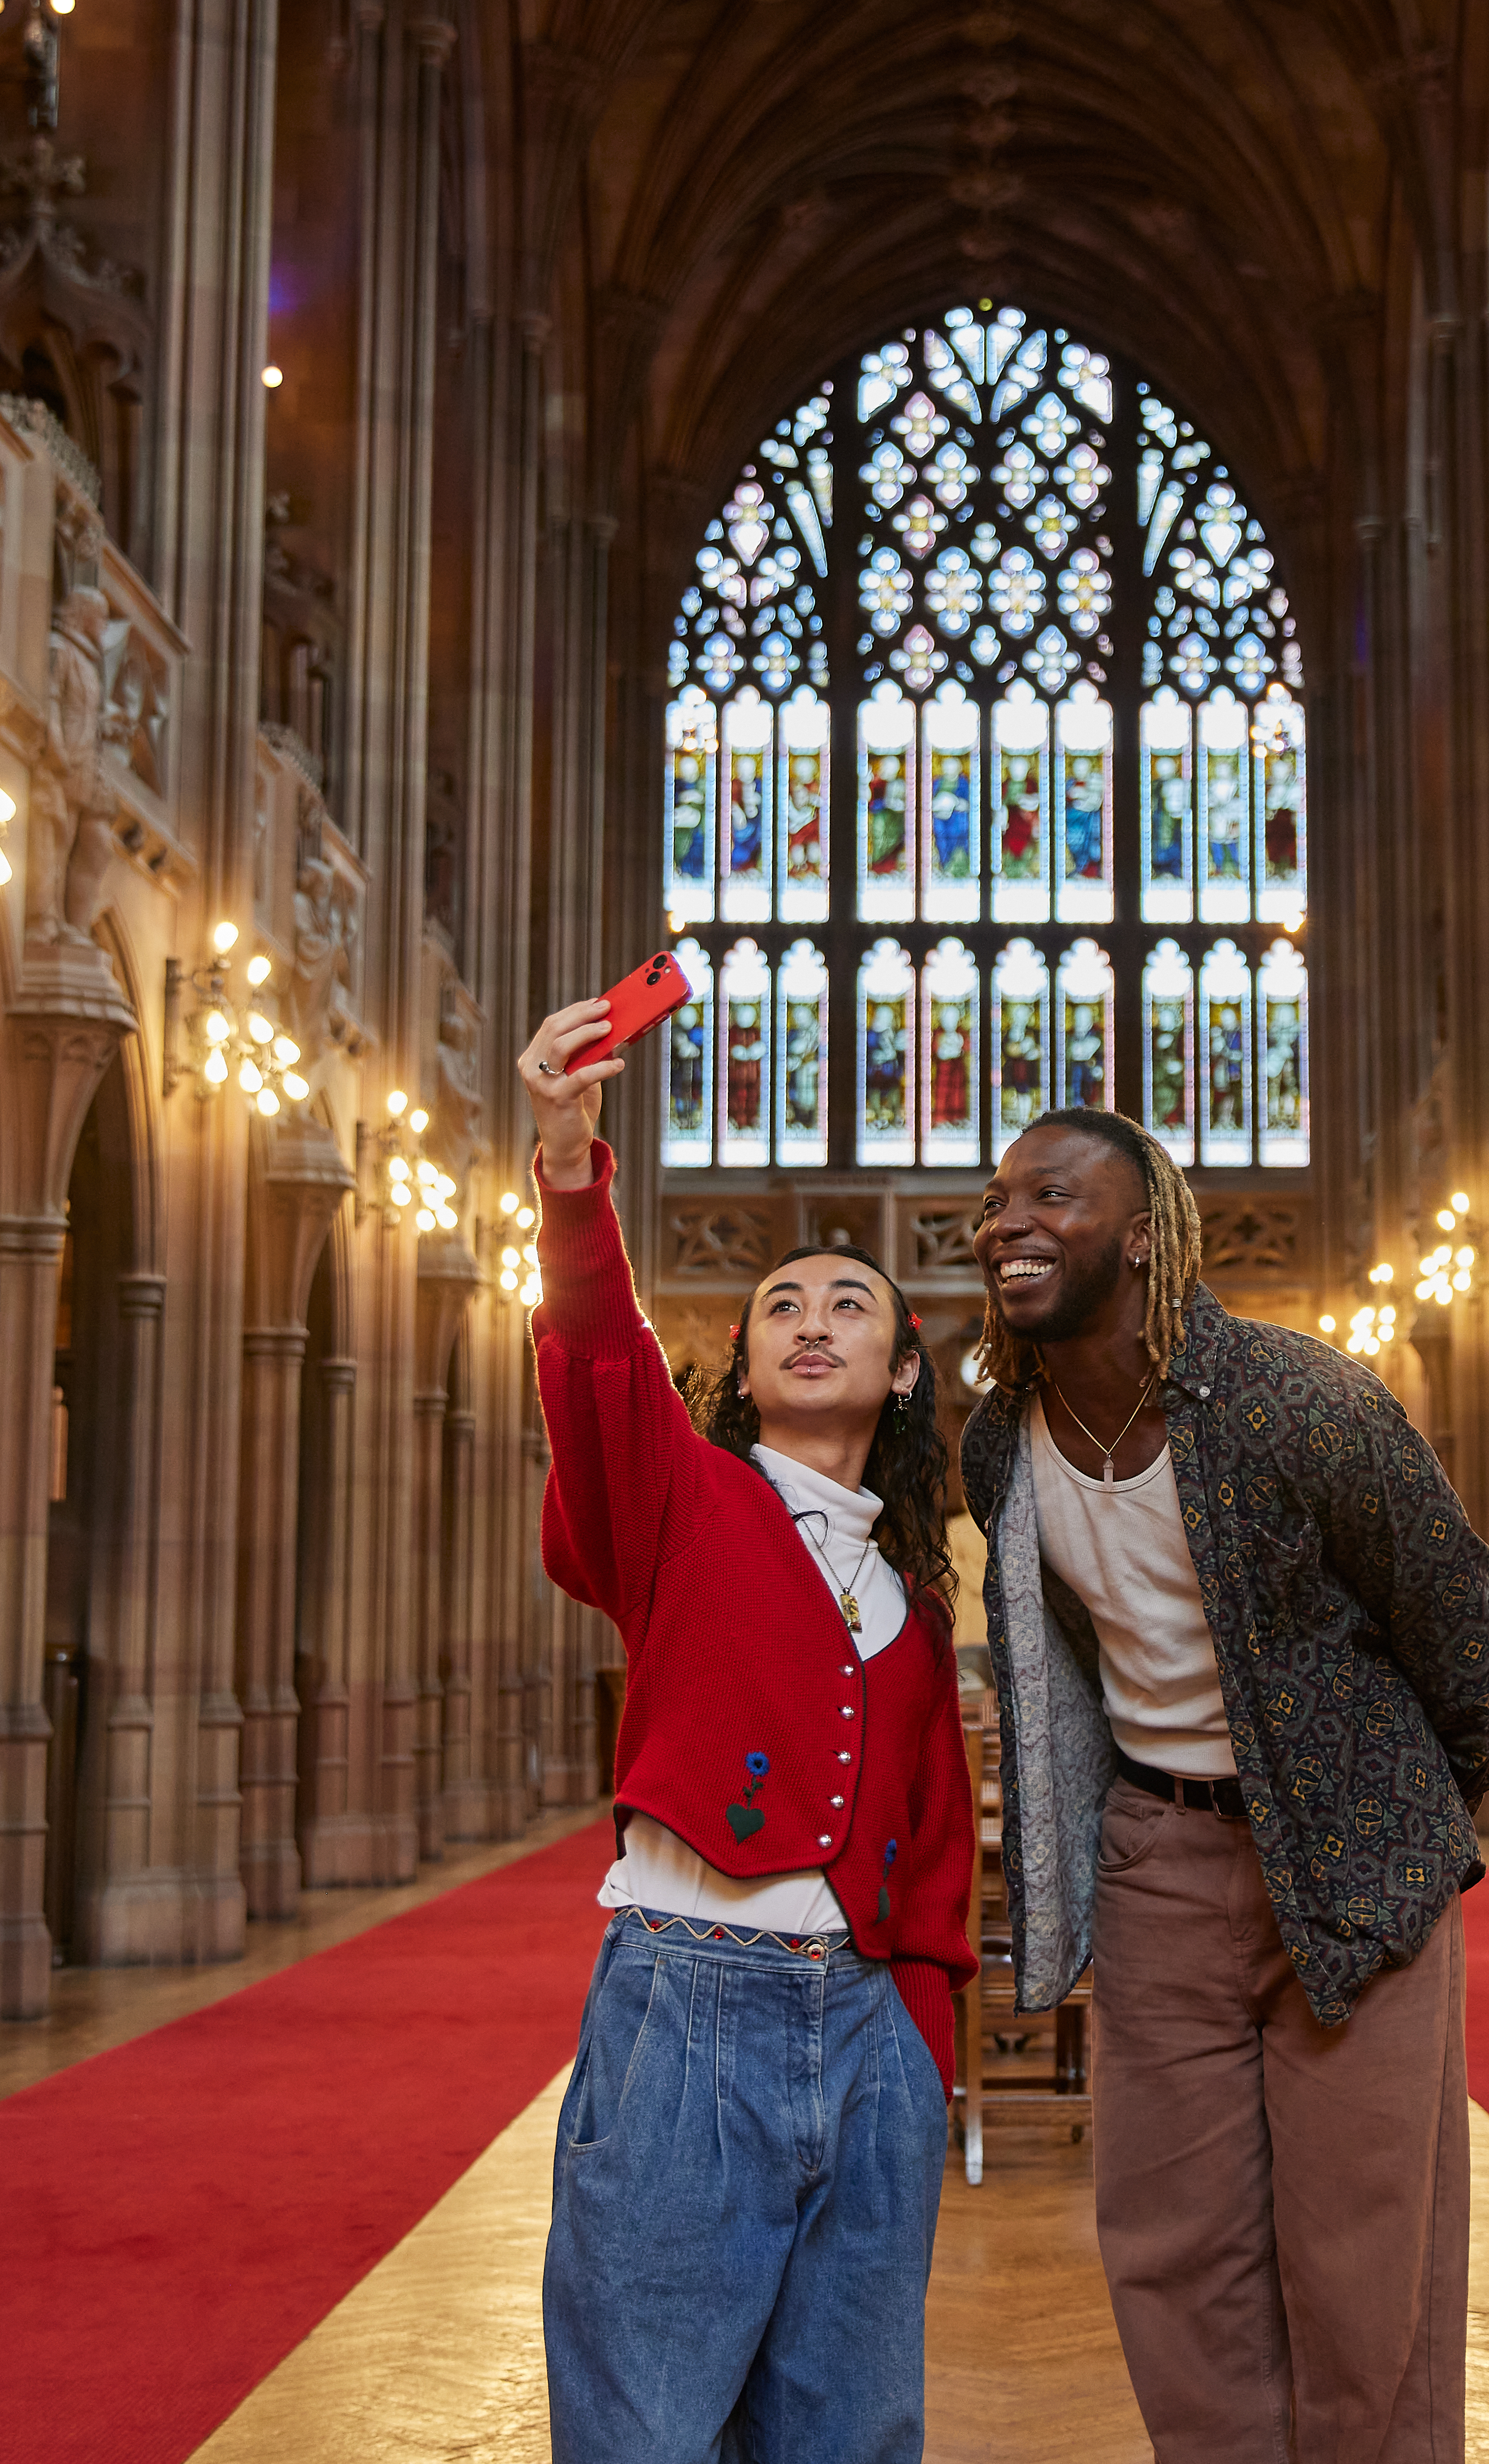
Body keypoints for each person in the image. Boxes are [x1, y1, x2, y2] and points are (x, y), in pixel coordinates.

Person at [965, 1105, 1489, 2463]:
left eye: (1051, 1196)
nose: (1008, 1223)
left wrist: (1399, 1822)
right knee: (1171, 2258)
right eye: (995, 1202)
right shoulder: (1000, 1445)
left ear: (1146, 1237)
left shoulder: (1298, 1399)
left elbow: (1459, 1621)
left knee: (1365, 2267)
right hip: (1163, 1857)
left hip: (1350, 1865)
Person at [519, 996, 976, 2464]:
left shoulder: (914, 1584)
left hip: (870, 2031)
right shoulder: (683, 1506)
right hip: (686, 2001)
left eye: (848, 1303)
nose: (811, 1321)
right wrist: (570, 1166)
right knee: (649, 2433)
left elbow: (942, 1835)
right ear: (740, 1366)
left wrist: (920, 2041)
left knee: (851, 2434)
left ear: (904, 1367)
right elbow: (599, 1360)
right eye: (782, 1306)